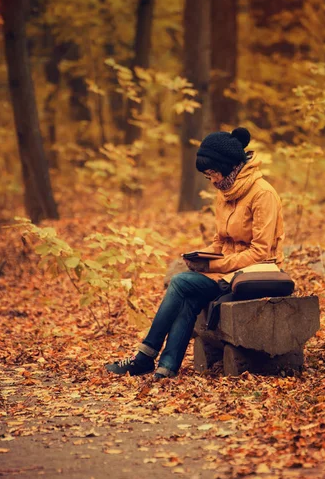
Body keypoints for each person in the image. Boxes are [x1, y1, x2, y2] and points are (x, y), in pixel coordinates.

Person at [105, 127, 285, 379]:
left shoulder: (262, 194)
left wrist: (213, 267)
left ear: (228, 166)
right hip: (228, 275)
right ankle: (166, 369)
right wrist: (202, 257)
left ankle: (144, 356)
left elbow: (261, 252)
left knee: (180, 282)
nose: (211, 180)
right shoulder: (225, 193)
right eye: (207, 176)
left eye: (213, 173)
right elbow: (220, 241)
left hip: (254, 276)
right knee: (188, 297)